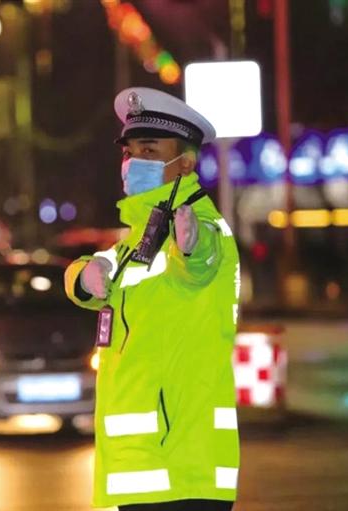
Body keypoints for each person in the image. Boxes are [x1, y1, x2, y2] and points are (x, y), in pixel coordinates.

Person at [64, 87, 240, 511]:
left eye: (148, 150)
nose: (133, 162)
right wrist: (83, 277)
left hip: (180, 465)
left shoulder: (200, 227)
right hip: (141, 466)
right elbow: (96, 274)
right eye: (129, 152)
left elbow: (200, 263)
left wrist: (192, 245)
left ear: (186, 163)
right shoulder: (139, 237)